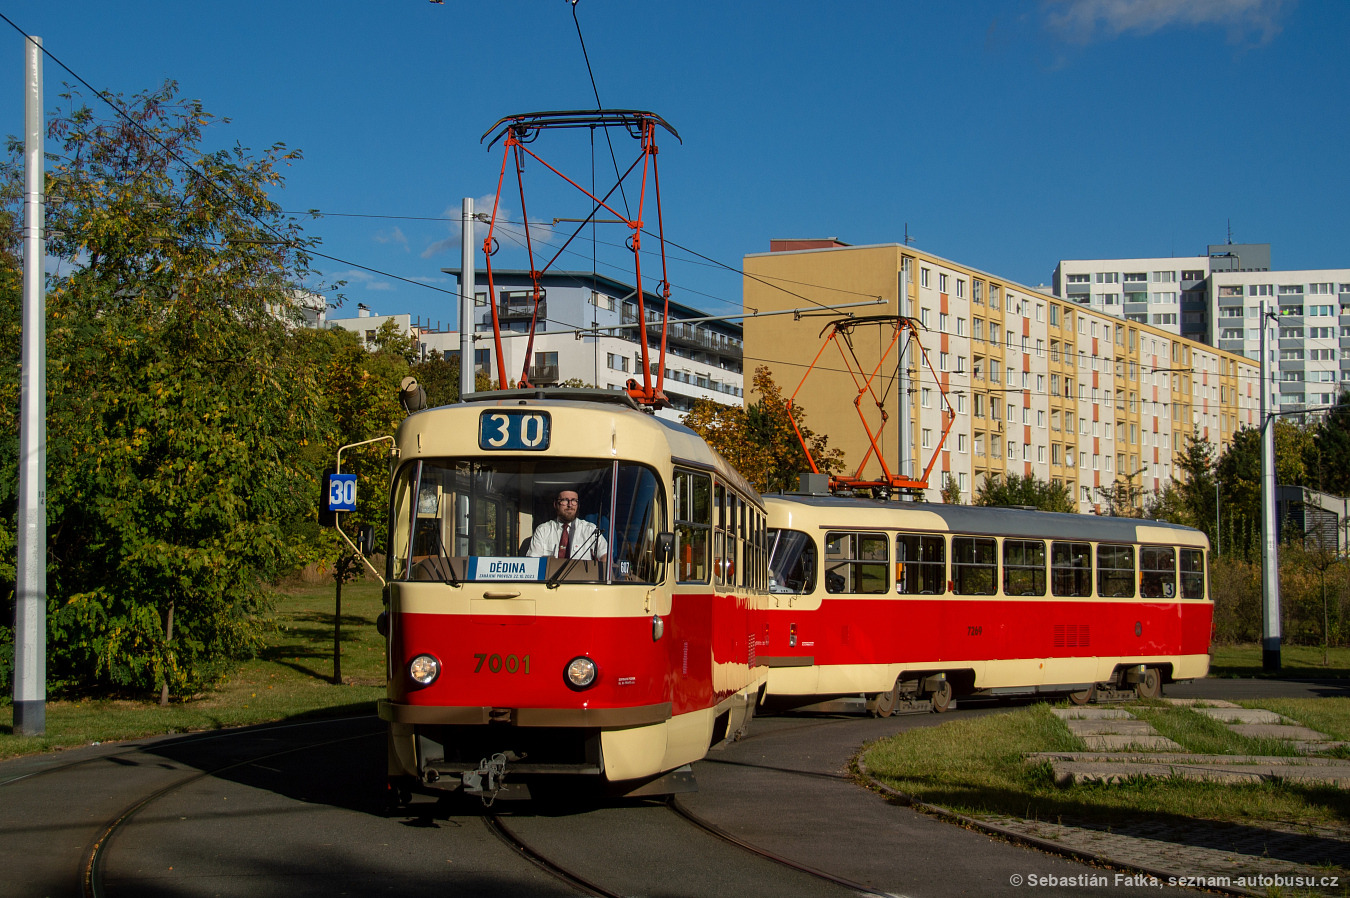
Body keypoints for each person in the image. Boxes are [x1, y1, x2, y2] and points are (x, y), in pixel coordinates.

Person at [527, 488, 608, 561]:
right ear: (556, 504)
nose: (570, 505)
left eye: (574, 501)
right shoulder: (543, 530)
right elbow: (533, 562)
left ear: (578, 505)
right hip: (550, 577)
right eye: (565, 500)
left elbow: (605, 555)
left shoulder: (590, 530)